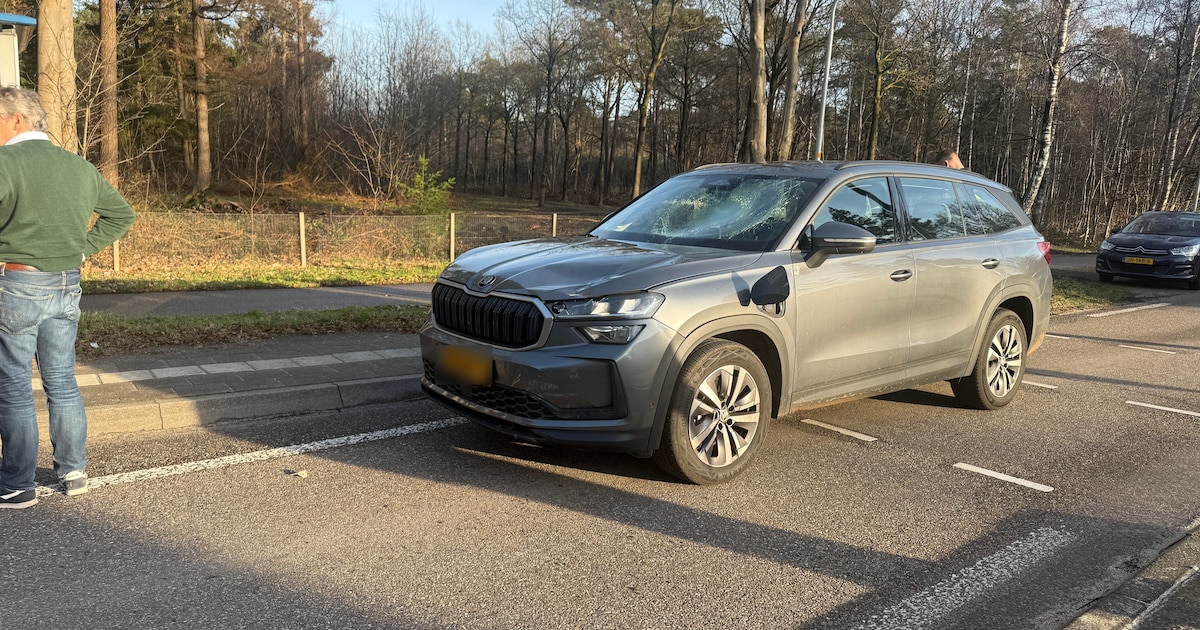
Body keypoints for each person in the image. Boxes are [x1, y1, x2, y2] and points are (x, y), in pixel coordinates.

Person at [0, 87, 135, 509]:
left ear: (16, 120)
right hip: (66, 284)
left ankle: (17, 484)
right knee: (60, 379)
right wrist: (81, 249)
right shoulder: (78, 166)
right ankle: (73, 471)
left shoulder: (5, 163)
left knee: (15, 384)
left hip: (17, 284)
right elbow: (122, 214)